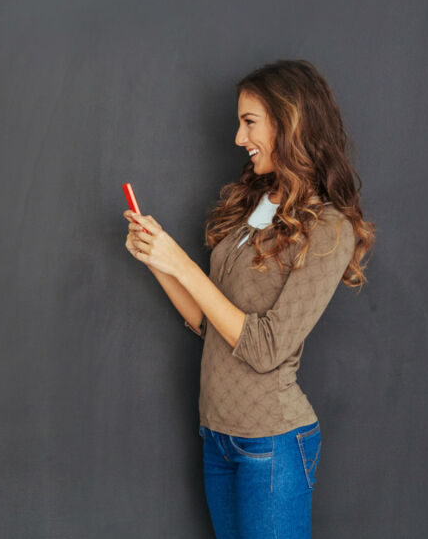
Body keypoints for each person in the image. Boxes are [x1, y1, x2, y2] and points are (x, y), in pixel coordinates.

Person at [123, 60, 373, 538]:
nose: (239, 138)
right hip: (218, 437)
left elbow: (264, 347)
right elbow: (209, 323)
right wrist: (158, 261)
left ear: (290, 123)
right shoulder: (259, 202)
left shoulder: (329, 228)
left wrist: (184, 264)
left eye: (249, 122)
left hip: (272, 445)